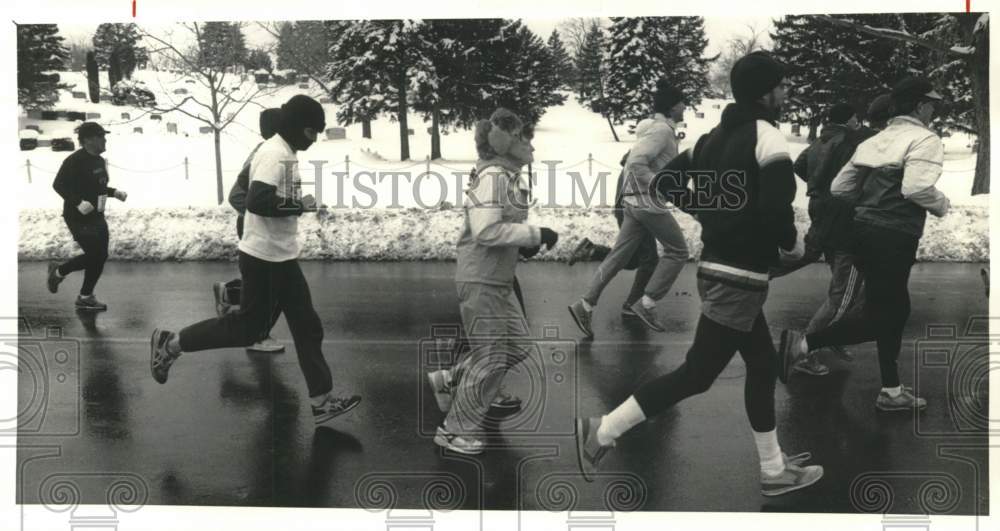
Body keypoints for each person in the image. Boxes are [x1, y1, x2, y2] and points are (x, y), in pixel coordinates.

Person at [575, 52, 823, 496]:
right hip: (740, 275)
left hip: (718, 268)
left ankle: (772, 466)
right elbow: (774, 209)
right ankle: (604, 429)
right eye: (782, 86)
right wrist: (791, 244)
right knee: (697, 374)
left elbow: (667, 182)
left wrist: (713, 213)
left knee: (763, 365)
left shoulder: (710, 139)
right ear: (765, 92)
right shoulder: (767, 137)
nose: (786, 93)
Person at [150, 95, 362, 428]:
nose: (315, 138)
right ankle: (172, 343)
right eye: (312, 131)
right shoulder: (275, 154)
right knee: (247, 329)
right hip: (264, 258)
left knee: (307, 327)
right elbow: (257, 200)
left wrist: (294, 204)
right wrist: (299, 206)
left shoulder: (285, 151)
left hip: (281, 255)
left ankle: (322, 402)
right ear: (298, 127)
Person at [779, 77, 951, 412]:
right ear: (919, 106)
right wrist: (942, 203)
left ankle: (890, 388)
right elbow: (916, 189)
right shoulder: (924, 139)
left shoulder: (878, 139)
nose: (934, 108)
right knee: (888, 314)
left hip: (861, 231)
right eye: (932, 103)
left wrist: (872, 196)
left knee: (888, 311)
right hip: (894, 234)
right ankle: (804, 344)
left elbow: (842, 187)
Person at [430, 108, 559, 455]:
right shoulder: (494, 178)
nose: (532, 146)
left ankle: (452, 378)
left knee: (517, 348)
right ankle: (454, 430)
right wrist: (535, 233)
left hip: (498, 280)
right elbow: (486, 230)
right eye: (525, 139)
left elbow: (501, 228)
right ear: (507, 144)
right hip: (481, 279)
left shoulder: (507, 176)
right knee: (490, 358)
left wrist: (525, 244)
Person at [568, 80, 690, 336]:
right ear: (671, 106)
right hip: (647, 202)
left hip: (633, 203)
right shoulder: (661, 131)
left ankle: (585, 304)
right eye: (681, 102)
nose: (685, 106)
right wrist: (658, 183)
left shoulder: (660, 130)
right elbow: (635, 162)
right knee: (678, 250)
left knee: (619, 257)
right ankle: (647, 303)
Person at [784, 102, 872, 376]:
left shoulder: (820, 140)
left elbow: (798, 165)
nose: (859, 122)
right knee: (842, 292)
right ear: (849, 120)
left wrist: (817, 184)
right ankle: (804, 350)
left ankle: (833, 338)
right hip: (842, 213)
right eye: (856, 118)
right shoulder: (849, 140)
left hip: (820, 206)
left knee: (834, 272)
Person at [211, 107, 285, 353]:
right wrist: (257, 213)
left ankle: (231, 294)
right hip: (255, 227)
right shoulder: (266, 155)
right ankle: (256, 334)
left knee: (267, 285)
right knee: (273, 288)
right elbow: (237, 196)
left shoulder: (274, 152)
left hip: (264, 227)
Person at [48, 122, 127, 311]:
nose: (105, 139)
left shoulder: (99, 161)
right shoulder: (74, 161)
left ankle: (85, 296)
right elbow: (58, 184)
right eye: (101, 136)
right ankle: (58, 272)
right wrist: (77, 202)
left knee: (100, 256)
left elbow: (96, 187)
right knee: (94, 255)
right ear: (89, 140)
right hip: (77, 217)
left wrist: (113, 192)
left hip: (97, 215)